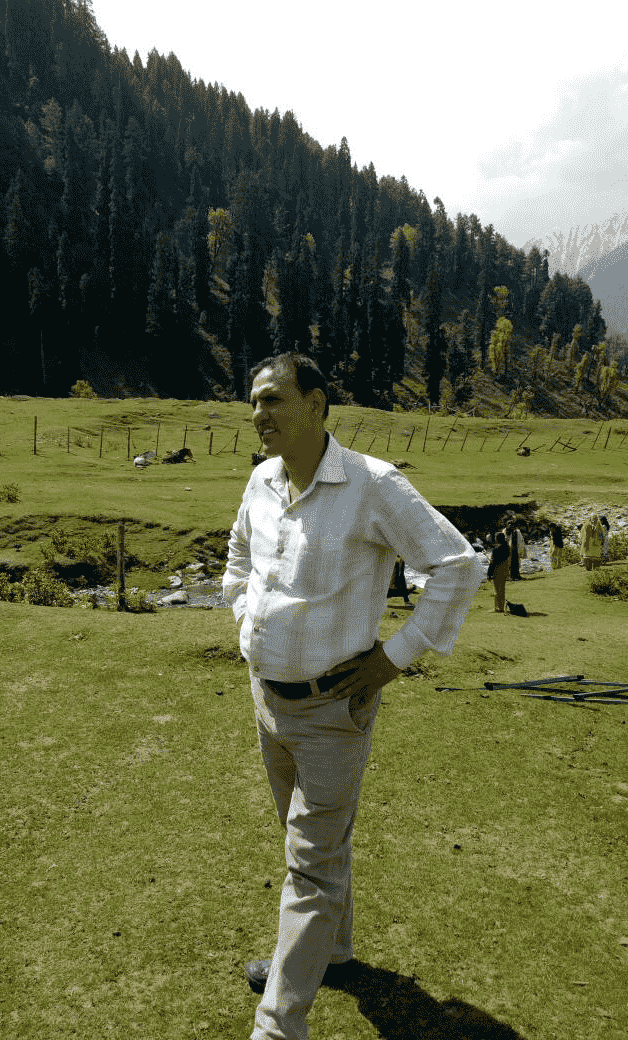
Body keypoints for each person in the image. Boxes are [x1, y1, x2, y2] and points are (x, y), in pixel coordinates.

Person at [222, 353, 486, 1040]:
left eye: (273, 400)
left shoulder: (372, 484)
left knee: (310, 864)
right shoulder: (261, 479)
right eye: (254, 402)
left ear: (316, 405)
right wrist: (245, 621)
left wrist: (393, 658)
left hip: (333, 708)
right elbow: (239, 558)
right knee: (310, 844)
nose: (259, 415)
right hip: (267, 700)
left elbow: (456, 565)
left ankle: (279, 1023)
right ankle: (330, 951)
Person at [487, 531, 510, 612]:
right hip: (504, 569)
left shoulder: (496, 549)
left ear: (497, 539)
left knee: (497, 590)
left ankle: (497, 608)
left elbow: (493, 563)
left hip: (497, 570)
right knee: (502, 589)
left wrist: (489, 574)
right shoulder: (507, 547)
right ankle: (501, 607)